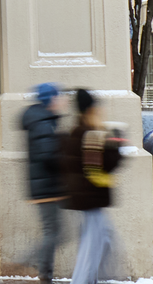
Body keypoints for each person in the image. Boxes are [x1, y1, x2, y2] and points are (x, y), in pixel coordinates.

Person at [60, 89, 126, 284]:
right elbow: (106, 164)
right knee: (93, 251)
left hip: (86, 200)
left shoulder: (77, 131)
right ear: (90, 110)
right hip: (90, 201)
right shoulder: (90, 134)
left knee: (101, 245)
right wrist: (116, 142)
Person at [21, 82, 67, 284]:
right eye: (58, 96)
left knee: (55, 232)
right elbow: (48, 155)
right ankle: (38, 267)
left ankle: (42, 269)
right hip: (47, 187)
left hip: (46, 185)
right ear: (50, 99)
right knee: (54, 232)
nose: (62, 100)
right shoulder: (42, 122)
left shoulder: (43, 120)